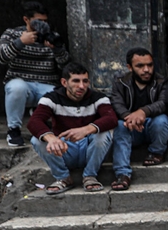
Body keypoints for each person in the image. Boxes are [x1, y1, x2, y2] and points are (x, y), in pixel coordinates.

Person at [27, 62, 117, 194]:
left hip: (89, 149)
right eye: (76, 81)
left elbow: (111, 119)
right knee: (37, 140)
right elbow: (34, 121)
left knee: (103, 134)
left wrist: (85, 130)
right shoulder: (51, 98)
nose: (81, 86)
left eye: (85, 81)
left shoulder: (98, 98)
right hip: (64, 149)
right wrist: (51, 138)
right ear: (64, 82)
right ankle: (63, 178)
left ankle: (90, 176)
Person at [0, 0, 71, 147]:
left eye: (45, 21)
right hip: (21, 83)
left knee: (61, 94)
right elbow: (0, 58)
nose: (42, 25)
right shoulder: (12, 34)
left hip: (46, 84)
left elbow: (65, 65)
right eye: (38, 21)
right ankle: (14, 130)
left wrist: (56, 49)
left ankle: (42, 118)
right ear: (26, 19)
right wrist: (20, 42)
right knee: (17, 88)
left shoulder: (52, 35)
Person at [109, 47, 168, 191]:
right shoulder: (120, 82)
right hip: (131, 127)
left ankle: (156, 152)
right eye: (140, 66)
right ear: (129, 67)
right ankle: (123, 174)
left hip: (152, 127)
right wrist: (129, 118)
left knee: (162, 120)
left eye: (150, 65)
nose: (146, 70)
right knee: (120, 126)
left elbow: (164, 103)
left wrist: (143, 112)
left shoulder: (161, 81)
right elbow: (116, 103)